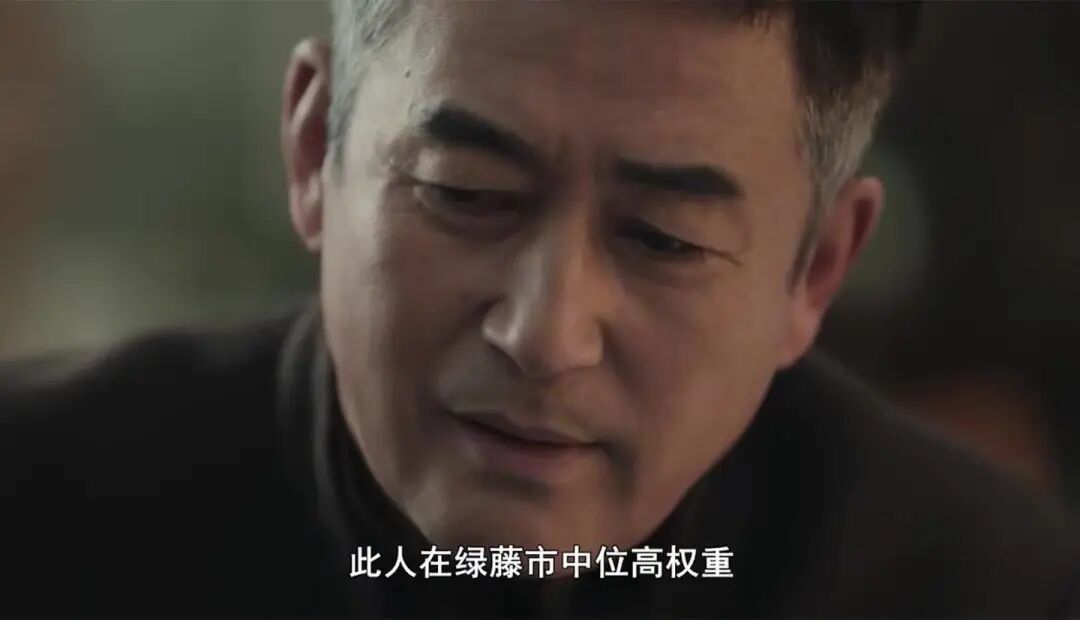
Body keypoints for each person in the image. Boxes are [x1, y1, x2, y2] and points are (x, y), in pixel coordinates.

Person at [1, 1, 1077, 617]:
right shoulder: (39, 509)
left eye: (663, 239)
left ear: (816, 271)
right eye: (467, 193)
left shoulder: (976, 587)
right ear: (315, 147)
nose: (545, 333)